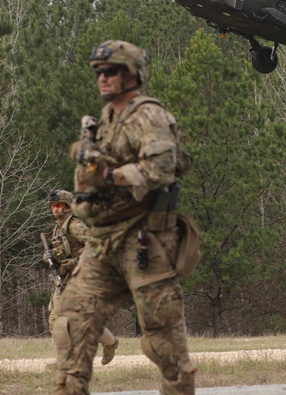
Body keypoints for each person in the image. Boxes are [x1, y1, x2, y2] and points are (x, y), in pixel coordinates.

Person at [53, 40, 199, 395]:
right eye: (99, 71)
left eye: (112, 70)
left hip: (143, 242)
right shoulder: (107, 119)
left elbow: (164, 166)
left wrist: (110, 176)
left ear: (132, 74)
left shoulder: (147, 115)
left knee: (164, 344)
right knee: (71, 328)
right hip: (102, 242)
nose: (103, 77)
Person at [44, 189, 118, 365]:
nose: (55, 209)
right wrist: (52, 256)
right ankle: (110, 342)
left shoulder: (74, 226)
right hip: (64, 279)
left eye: (59, 205)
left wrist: (73, 263)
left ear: (68, 206)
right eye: (53, 206)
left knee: (58, 319)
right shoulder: (58, 227)